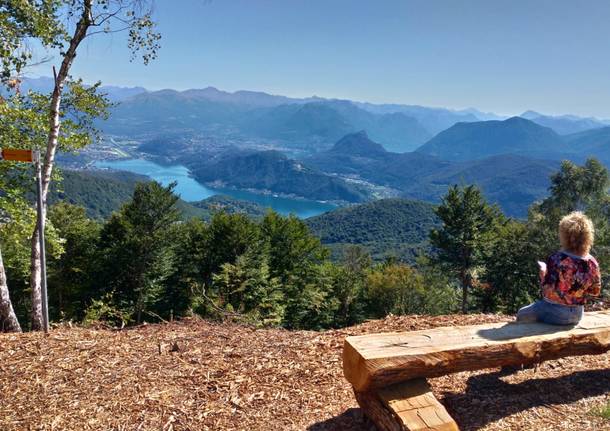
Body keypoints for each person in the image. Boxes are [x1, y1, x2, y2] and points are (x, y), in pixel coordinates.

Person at [517, 211, 601, 325]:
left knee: (522, 314)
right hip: (577, 314)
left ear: (565, 235)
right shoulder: (592, 262)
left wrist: (543, 273)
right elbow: (595, 292)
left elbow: (548, 291)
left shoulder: (557, 259)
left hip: (555, 312)